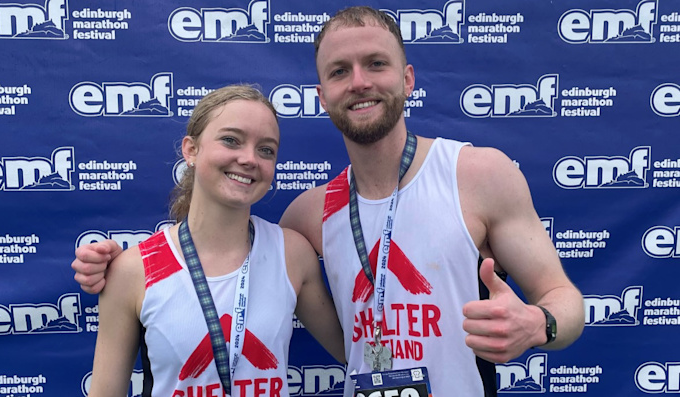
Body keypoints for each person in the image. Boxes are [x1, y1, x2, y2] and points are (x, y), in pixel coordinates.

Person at [74, 7, 585, 397]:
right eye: (340, 71)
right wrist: (117, 266)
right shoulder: (309, 217)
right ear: (322, 94)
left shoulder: (477, 173)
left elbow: (566, 301)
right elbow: (218, 251)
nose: (359, 81)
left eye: (376, 64)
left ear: (407, 80)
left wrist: (540, 324)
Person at [84, 85, 343, 397]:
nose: (249, 159)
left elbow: (353, 351)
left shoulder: (291, 254)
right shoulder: (133, 270)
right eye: (231, 140)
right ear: (191, 150)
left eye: (266, 149)